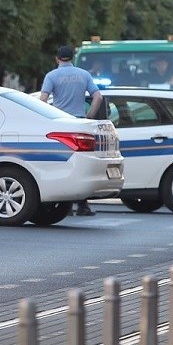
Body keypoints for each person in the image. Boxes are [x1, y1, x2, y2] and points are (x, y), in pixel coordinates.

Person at [39, 44, 102, 216]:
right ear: (73, 58)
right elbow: (98, 97)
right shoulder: (84, 74)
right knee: (80, 162)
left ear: (57, 59)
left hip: (60, 124)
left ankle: (63, 205)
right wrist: (89, 116)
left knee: (61, 163)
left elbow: (42, 100)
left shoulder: (51, 76)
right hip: (79, 123)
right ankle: (83, 205)